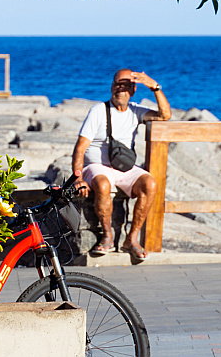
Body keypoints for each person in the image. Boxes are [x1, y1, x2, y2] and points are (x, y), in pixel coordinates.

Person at [73, 69, 171, 261]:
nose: (121, 89)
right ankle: (107, 236)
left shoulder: (136, 111)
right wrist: (78, 179)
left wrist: (154, 87)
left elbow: (165, 115)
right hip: (97, 166)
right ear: (111, 87)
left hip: (124, 167)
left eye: (126, 86)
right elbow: (80, 148)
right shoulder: (98, 111)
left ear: (133, 90)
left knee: (150, 184)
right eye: (118, 84)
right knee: (102, 184)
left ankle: (131, 239)